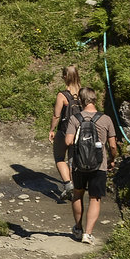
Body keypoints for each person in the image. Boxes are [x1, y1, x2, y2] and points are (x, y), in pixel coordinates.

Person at [63, 87, 118, 244]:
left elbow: (68, 141)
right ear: (95, 99)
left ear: (81, 100)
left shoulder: (75, 118)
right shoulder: (105, 119)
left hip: (78, 164)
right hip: (98, 165)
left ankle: (78, 228)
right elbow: (113, 146)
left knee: (78, 194)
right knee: (95, 198)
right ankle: (88, 234)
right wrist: (112, 160)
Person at [48, 65, 82, 200]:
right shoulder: (84, 93)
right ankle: (76, 188)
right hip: (80, 132)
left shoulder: (62, 95)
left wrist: (51, 130)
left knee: (59, 157)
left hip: (64, 131)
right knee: (73, 160)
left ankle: (68, 185)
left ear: (64, 77)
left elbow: (56, 115)